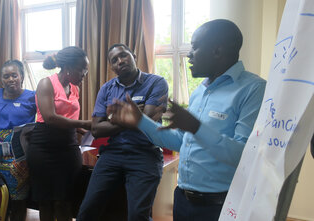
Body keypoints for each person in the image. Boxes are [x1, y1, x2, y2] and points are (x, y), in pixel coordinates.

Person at [107, 19, 266, 221]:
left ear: (217, 51)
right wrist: (140, 121)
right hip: (183, 199)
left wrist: (196, 127)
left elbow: (243, 155)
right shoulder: (200, 91)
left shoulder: (253, 89)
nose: (189, 54)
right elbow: (180, 142)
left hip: (220, 206)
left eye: (195, 47)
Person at [77, 44, 168, 221]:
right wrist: (133, 115)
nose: (120, 61)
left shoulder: (156, 83)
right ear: (111, 67)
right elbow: (96, 129)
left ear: (133, 55)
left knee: (137, 216)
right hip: (112, 154)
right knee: (86, 211)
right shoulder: (107, 88)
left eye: (123, 55)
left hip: (145, 154)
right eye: (114, 60)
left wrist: (114, 118)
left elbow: (147, 121)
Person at [27, 46, 91, 221]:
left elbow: (68, 118)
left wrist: (85, 130)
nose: (85, 74)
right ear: (69, 68)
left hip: (69, 149)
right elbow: (50, 118)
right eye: (82, 69)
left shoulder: (74, 88)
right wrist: (85, 123)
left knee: (66, 200)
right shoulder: (46, 83)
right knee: (46, 201)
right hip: (44, 148)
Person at [0, 59, 36, 221]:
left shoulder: (32, 97)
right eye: (6, 76)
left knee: (18, 200)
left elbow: (42, 121)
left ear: (22, 77)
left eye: (14, 75)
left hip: (19, 158)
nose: (10, 79)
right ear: (1, 79)